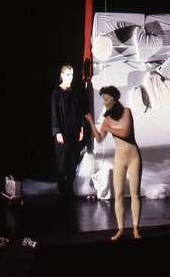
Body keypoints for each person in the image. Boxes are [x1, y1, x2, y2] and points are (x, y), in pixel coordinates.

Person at [85, 86, 142, 240]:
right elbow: (99, 138)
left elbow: (126, 132)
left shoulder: (127, 112)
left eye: (106, 99)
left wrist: (109, 128)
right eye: (103, 99)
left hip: (133, 157)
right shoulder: (107, 120)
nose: (104, 102)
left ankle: (136, 229)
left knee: (135, 193)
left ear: (114, 99)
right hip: (119, 159)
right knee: (118, 195)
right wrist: (91, 122)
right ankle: (121, 229)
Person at [50, 64, 84, 197]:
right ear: (62, 75)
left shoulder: (74, 92)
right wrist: (57, 131)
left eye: (72, 74)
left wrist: (81, 127)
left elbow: (79, 111)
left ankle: (70, 186)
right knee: (62, 159)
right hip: (62, 130)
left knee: (73, 159)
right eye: (68, 74)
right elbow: (54, 113)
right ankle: (61, 187)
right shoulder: (56, 93)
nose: (71, 77)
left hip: (74, 130)